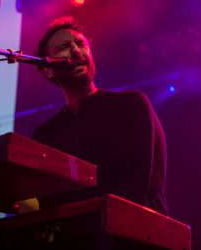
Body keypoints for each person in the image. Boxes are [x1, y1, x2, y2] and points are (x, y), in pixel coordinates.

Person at [32, 16, 168, 215]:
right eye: (64, 47)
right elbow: (48, 200)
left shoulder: (131, 105)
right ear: (48, 70)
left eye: (80, 44)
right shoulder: (46, 135)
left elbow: (142, 184)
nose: (76, 51)